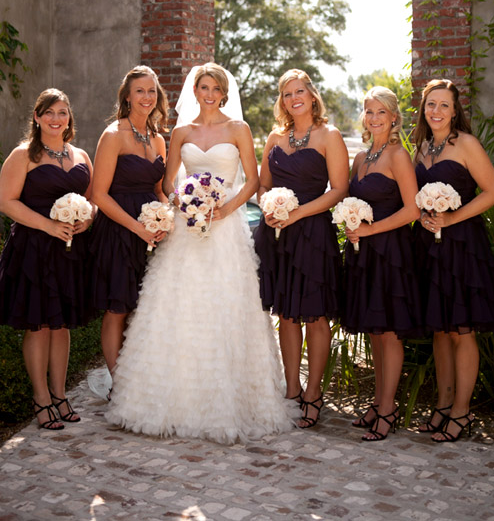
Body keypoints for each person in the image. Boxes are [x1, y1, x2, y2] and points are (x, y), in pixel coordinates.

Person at [106, 62, 295, 444]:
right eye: (203, 87)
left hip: (226, 229)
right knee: (179, 307)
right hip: (188, 230)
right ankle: (169, 397)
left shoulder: (239, 129)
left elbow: (253, 180)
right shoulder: (180, 132)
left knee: (224, 305)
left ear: (224, 93)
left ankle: (229, 400)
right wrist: (185, 203)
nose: (209, 94)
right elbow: (167, 182)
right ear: (195, 91)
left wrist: (224, 208)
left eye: (215, 88)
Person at [255, 69, 349, 429]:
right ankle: (292, 389)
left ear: (312, 95)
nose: (294, 98)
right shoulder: (275, 136)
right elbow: (264, 185)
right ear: (282, 101)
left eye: (300, 91)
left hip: (312, 231)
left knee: (315, 315)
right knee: (287, 314)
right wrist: (271, 208)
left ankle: (313, 393)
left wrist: (297, 214)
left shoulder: (330, 135)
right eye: (286, 93)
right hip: (277, 233)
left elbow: (339, 189)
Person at [0, 89, 93, 429]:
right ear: (37, 117)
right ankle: (40, 398)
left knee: (62, 324)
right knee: (38, 325)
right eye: (49, 113)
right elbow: (7, 201)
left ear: (70, 118)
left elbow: (92, 200)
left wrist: (87, 218)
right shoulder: (23, 155)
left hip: (70, 251)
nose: (56, 119)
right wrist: (49, 226)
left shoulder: (80, 155)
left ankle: (59, 393)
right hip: (34, 249)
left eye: (63, 113)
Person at [414, 79, 494, 442]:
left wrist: (452, 217)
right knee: (439, 328)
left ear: (455, 110)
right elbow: (415, 196)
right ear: (424, 108)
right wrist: (422, 215)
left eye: (444, 106)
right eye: (431, 105)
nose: (436, 111)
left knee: (461, 330)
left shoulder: (466, 144)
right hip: (428, 245)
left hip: (462, 244)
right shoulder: (420, 148)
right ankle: (443, 404)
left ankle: (462, 411)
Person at [342, 86, 421, 441]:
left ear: (393, 118)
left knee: (389, 332)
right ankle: (379, 402)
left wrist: (370, 230)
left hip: (390, 251)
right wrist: (350, 225)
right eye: (368, 111)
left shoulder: (397, 156)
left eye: (380, 112)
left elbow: (412, 210)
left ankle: (388, 410)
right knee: (375, 330)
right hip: (364, 254)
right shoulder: (361, 158)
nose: (374, 118)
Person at [88, 65, 168, 383]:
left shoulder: (158, 139)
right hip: (119, 231)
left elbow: (159, 190)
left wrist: (167, 219)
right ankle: (119, 382)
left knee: (142, 308)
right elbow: (99, 194)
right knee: (118, 308)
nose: (146, 97)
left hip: (151, 235)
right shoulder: (113, 135)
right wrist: (137, 227)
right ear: (127, 96)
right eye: (140, 91)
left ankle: (140, 378)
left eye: (151, 91)